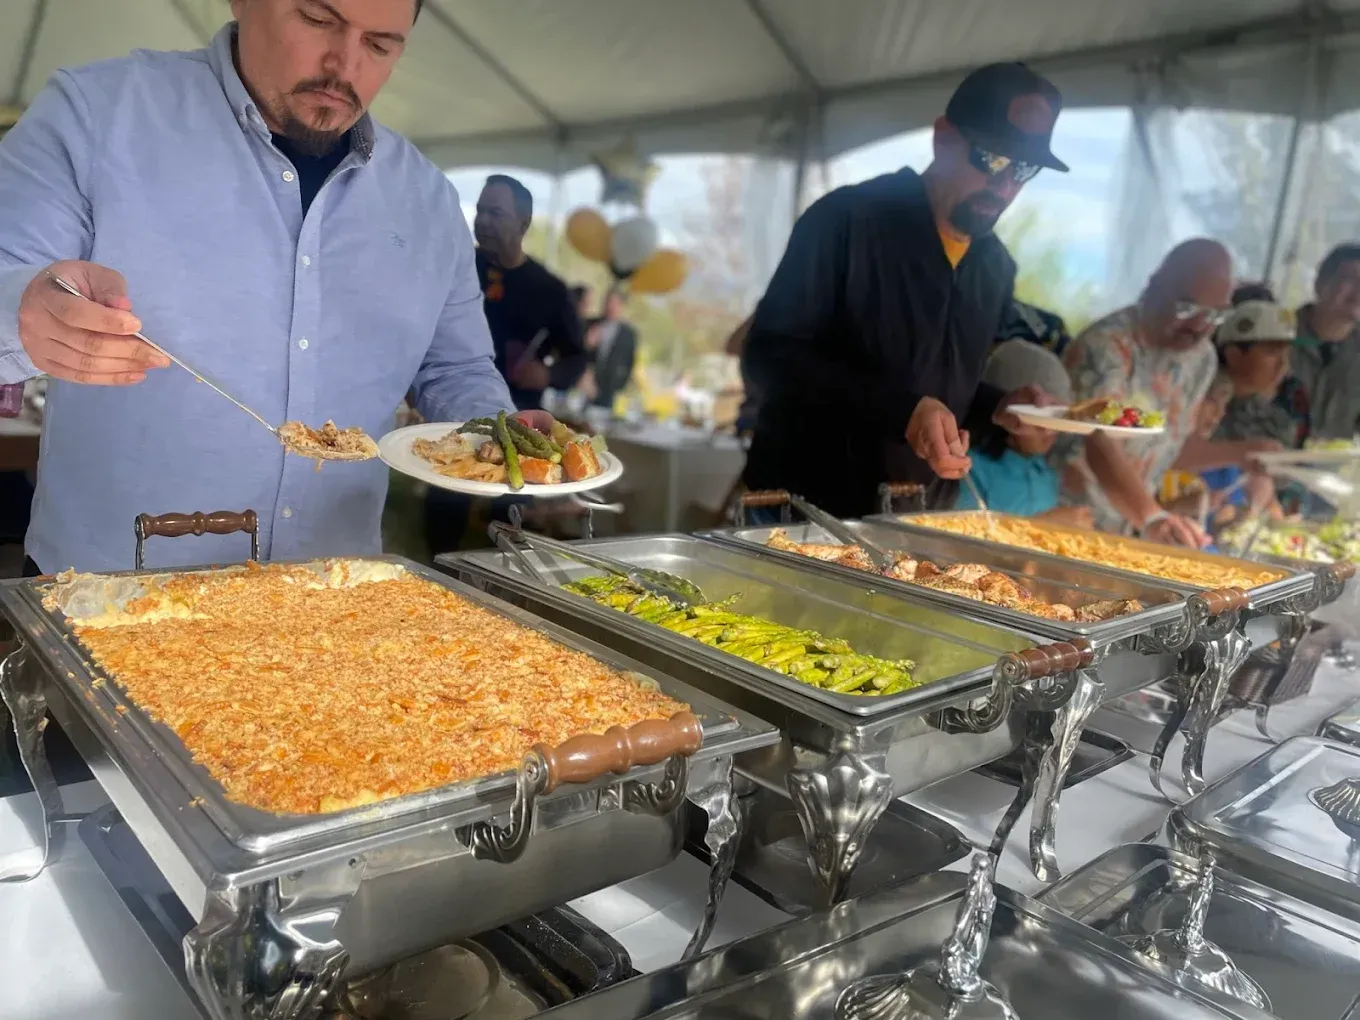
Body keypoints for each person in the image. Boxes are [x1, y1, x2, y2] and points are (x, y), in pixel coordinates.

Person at [0, 0, 537, 575]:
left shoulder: (427, 200)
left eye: (380, 45)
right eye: (316, 19)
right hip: (107, 591)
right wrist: (27, 313)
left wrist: (500, 434)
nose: (344, 65)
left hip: (327, 600)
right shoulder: (95, 116)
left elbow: (455, 371)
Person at [742, 62, 1069, 518]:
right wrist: (903, 411)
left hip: (918, 517)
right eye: (992, 157)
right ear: (944, 137)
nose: (1005, 183)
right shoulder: (847, 220)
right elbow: (768, 356)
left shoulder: (995, 266)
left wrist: (1000, 407)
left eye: (1025, 168)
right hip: (804, 511)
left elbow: (947, 390)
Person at [1059, 240, 1277, 546]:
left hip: (1130, 530)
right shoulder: (1107, 346)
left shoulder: (1201, 358)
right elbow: (1100, 442)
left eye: (1215, 315)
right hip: (1066, 520)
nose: (1200, 326)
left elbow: (1173, 448)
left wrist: (1246, 454)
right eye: (1187, 308)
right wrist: (1151, 517)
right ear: (1153, 287)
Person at [473, 174, 586, 410]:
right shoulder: (459, 265)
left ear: (523, 224)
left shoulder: (549, 289)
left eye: (494, 213)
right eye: (479, 210)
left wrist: (547, 374)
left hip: (515, 412)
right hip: (448, 400)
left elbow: (576, 359)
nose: (482, 221)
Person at [954, 340, 1090, 526]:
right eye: (1042, 419)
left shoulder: (1044, 471)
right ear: (1007, 413)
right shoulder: (967, 468)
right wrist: (1044, 525)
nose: (1051, 430)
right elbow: (960, 537)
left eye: (1058, 419)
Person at [1275, 243, 1360, 445]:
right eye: (1350, 279)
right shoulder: (1275, 337)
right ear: (1320, 282)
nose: (1358, 291)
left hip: (1332, 471)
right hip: (1262, 463)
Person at [583, 288, 637, 409]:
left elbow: (629, 362)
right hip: (584, 383)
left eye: (614, 303)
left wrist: (618, 385)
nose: (610, 307)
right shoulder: (590, 324)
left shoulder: (628, 334)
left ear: (621, 306)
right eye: (607, 302)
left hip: (608, 389)